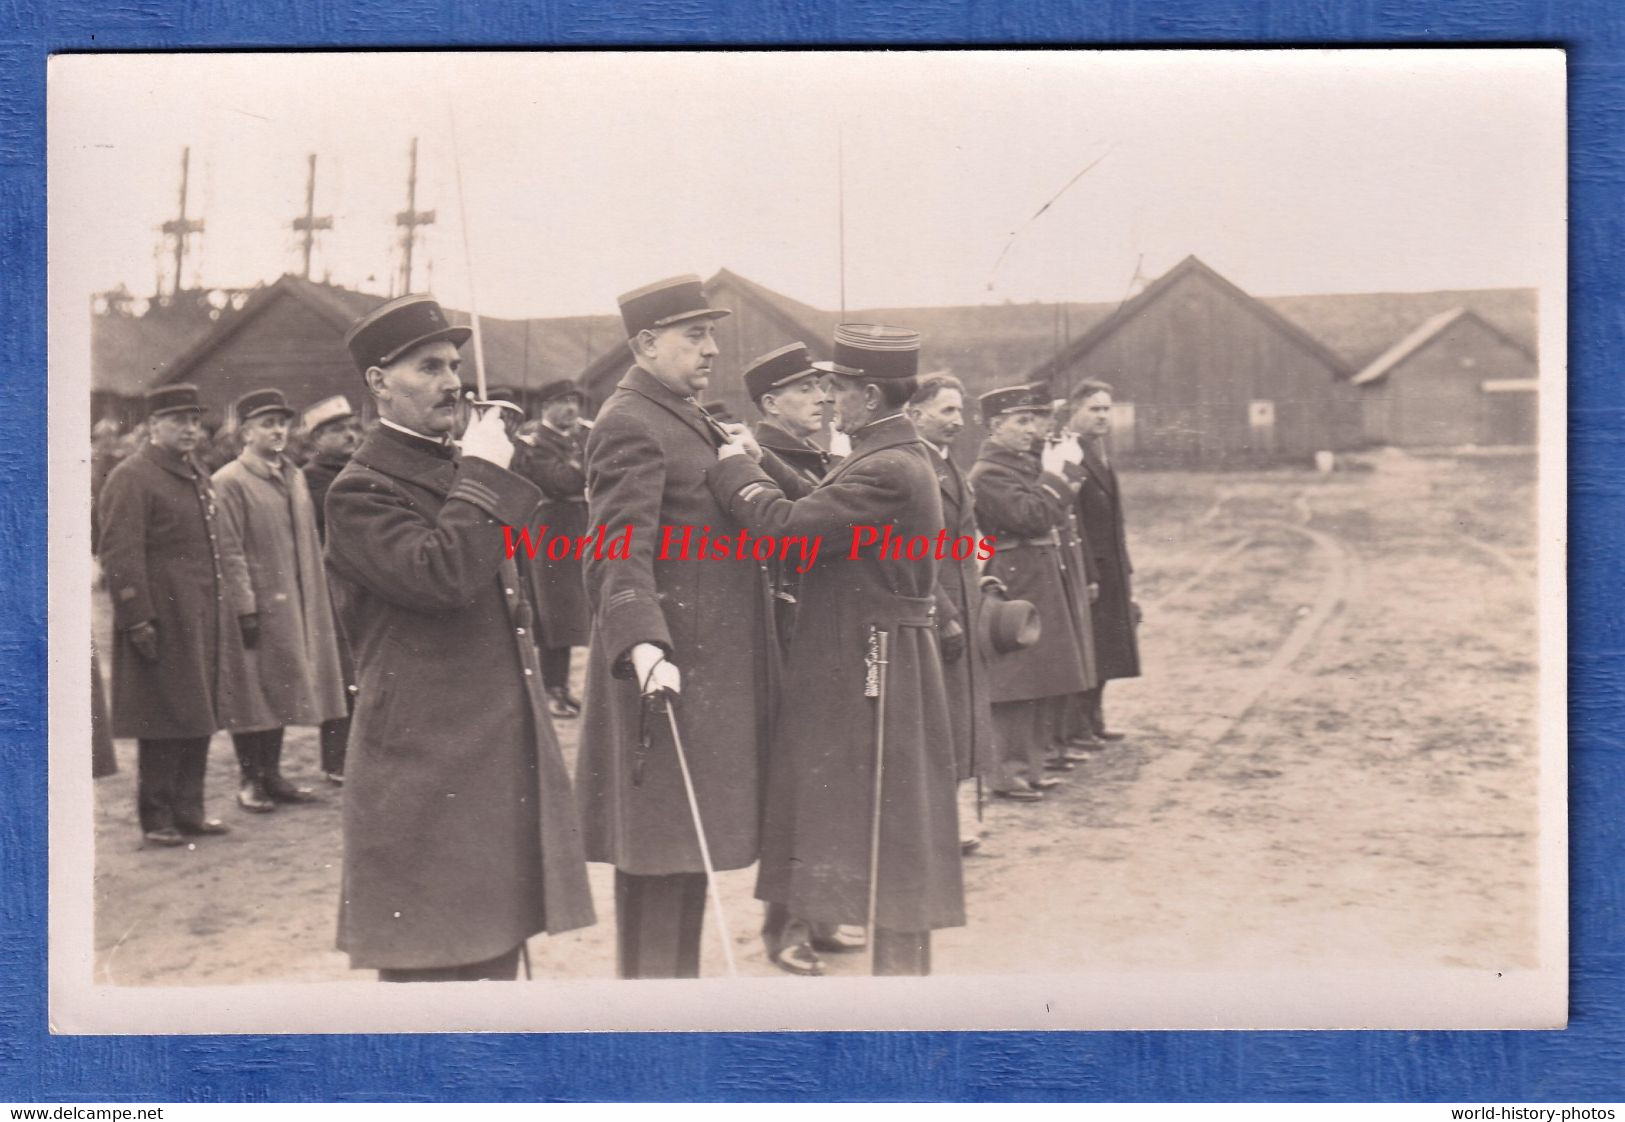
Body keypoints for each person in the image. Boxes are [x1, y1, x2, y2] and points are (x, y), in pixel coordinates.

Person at [324, 294, 594, 981]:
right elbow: (440, 575)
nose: (451, 382)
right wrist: (480, 472)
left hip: (484, 756)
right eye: (428, 367)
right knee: (433, 971)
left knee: (492, 959)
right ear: (379, 382)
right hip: (421, 764)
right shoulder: (360, 489)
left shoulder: (454, 467)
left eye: (452, 365)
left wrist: (476, 470)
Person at [711, 323, 965, 976]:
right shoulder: (888, 456)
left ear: (871, 397)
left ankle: (899, 990)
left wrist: (734, 471)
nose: (829, 397)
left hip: (873, 657)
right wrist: (761, 459)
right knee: (871, 811)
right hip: (875, 649)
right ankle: (883, 964)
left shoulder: (883, 466)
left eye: (839, 387)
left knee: (886, 817)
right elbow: (824, 505)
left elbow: (793, 531)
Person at [576, 274, 804, 979]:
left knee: (685, 856)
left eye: (712, 334)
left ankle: (674, 1007)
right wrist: (643, 645)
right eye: (693, 335)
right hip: (667, 676)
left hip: (709, 677)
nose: (711, 350)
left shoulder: (685, 414)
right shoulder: (629, 421)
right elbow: (615, 551)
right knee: (658, 860)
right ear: (645, 344)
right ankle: (650, 1026)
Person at [740, 342, 865, 975]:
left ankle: (820, 913)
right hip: (785, 626)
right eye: (806, 389)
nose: (823, 398)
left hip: (828, 627)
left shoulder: (824, 454)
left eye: (824, 388)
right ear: (771, 403)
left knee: (830, 777)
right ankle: (785, 927)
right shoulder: (762, 455)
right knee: (795, 783)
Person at [96, 383, 237, 846]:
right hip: (159, 616)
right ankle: (156, 816)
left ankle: (189, 809)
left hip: (198, 616)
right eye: (178, 420)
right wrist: (137, 616)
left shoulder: (193, 472)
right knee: (162, 716)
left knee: (197, 711)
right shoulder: (131, 476)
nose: (190, 429)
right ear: (153, 425)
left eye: (195, 420)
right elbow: (119, 552)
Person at [212, 389, 348, 812]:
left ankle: (272, 774)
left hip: (295, 601)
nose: (277, 431)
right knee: (252, 691)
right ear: (245, 432)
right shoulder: (229, 481)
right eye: (266, 424)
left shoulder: (294, 476)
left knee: (283, 687)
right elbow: (230, 550)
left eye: (281, 423)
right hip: (257, 604)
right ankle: (250, 779)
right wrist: (245, 607)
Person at [968, 384, 1095, 802]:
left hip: (1037, 572)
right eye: (1021, 421)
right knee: (1015, 679)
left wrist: (1053, 475)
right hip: (1016, 575)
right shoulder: (990, 471)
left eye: (1033, 420)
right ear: (994, 427)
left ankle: (1031, 766)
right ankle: (1006, 772)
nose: (1031, 429)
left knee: (1041, 675)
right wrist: (1060, 476)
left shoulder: (1021, 463)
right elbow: (1032, 515)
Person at [906, 374, 996, 850]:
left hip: (965, 597)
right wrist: (945, 612)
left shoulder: (948, 465)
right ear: (915, 414)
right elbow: (917, 552)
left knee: (962, 717)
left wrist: (983, 574)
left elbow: (967, 536)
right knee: (941, 720)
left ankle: (955, 818)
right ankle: (942, 823)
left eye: (960, 412)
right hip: (937, 607)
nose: (958, 422)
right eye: (946, 411)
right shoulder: (913, 465)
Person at [1066, 380, 1140, 739]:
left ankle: (1095, 721)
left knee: (1108, 646)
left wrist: (1125, 566)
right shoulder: (1069, 453)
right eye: (1094, 408)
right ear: (1075, 411)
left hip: (1111, 569)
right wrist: (1087, 573)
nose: (1102, 416)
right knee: (1088, 647)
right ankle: (1079, 727)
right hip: (1089, 571)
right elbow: (1073, 519)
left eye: (1107, 409)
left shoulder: (1098, 451)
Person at [516, 379, 593, 719]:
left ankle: (560, 688)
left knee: (568, 612)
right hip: (550, 532)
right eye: (563, 402)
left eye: (574, 402)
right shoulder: (536, 443)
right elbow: (559, 480)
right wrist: (584, 462)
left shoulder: (574, 439)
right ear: (545, 407)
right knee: (554, 613)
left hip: (575, 526)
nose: (571, 409)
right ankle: (552, 690)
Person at [299, 395, 362, 784]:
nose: (349, 435)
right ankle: (336, 759)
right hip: (329, 584)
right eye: (338, 430)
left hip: (364, 582)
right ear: (317, 438)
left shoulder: (359, 470)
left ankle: (362, 753)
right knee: (338, 674)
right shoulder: (308, 479)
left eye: (351, 428)